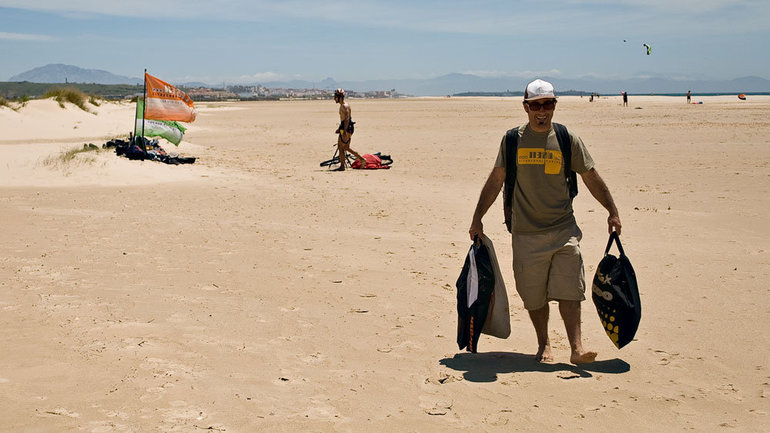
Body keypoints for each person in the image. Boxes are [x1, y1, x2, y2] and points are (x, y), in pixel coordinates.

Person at [468, 78, 622, 365]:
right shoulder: (513, 139)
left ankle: (576, 348)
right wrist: (478, 217)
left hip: (564, 229)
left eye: (547, 104)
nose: (542, 110)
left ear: (554, 105)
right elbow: (497, 178)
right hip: (526, 234)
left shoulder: (566, 138)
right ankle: (544, 344)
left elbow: (590, 176)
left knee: (570, 289)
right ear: (525, 107)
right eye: (535, 105)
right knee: (534, 295)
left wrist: (611, 210)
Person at [332, 88, 364, 171]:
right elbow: (343, 120)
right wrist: (339, 129)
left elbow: (346, 119)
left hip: (347, 128)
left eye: (335, 97)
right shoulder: (343, 105)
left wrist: (344, 131)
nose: (334, 98)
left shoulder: (345, 106)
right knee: (346, 147)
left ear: (339, 97)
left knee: (341, 147)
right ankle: (362, 160)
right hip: (345, 127)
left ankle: (342, 166)